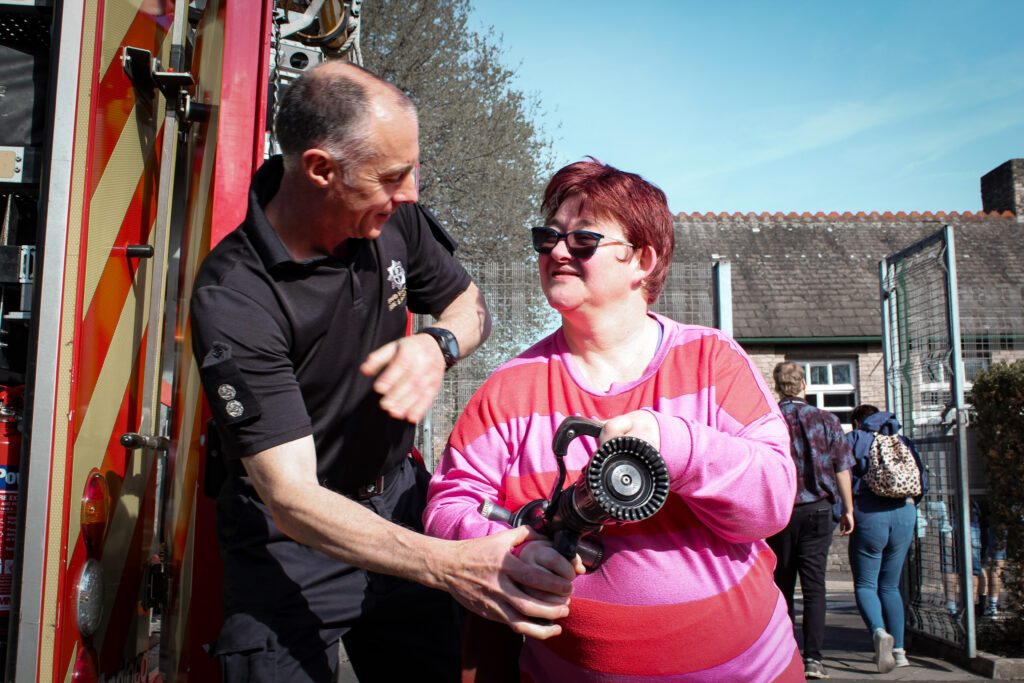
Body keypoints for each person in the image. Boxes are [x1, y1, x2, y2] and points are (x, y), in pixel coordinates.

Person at [190, 62, 576, 682]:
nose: (411, 193)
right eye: (392, 176)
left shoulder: (393, 219)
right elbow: (292, 498)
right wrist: (448, 565)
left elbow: (472, 308)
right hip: (292, 543)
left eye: (412, 170)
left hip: (399, 502)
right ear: (320, 169)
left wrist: (436, 346)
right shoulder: (235, 296)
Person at [424, 159, 804, 681]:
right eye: (547, 238)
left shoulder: (712, 360)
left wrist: (676, 446)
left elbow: (772, 502)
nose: (557, 252)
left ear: (642, 260)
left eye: (583, 240)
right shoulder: (508, 389)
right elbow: (450, 504)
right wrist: (510, 551)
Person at [766, 362, 855, 680]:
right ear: (803, 384)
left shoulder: (769, 420)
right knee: (815, 586)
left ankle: (785, 654)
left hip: (780, 512)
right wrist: (848, 509)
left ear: (777, 386)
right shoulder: (827, 419)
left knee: (782, 584)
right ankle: (814, 659)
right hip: (818, 509)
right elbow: (842, 467)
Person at [846, 404, 927, 673]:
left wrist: (843, 512)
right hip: (905, 513)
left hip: (869, 514)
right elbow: (922, 480)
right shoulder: (902, 440)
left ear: (857, 422)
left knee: (866, 584)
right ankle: (900, 652)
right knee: (891, 586)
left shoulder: (855, 438)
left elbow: (843, 475)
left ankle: (879, 632)